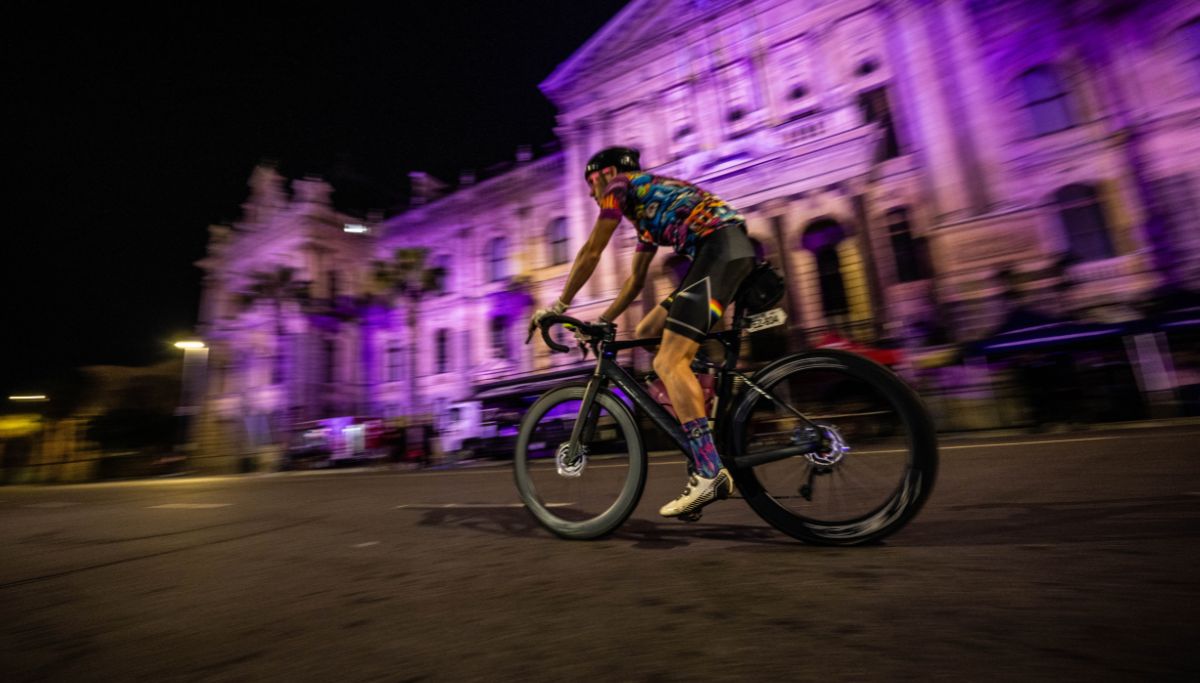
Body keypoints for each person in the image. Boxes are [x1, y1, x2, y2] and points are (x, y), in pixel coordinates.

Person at [527, 146, 756, 519]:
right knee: (649, 328)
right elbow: (634, 282)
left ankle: (708, 470)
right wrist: (604, 320)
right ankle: (700, 400)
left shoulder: (621, 184)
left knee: (669, 360)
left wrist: (559, 307)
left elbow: (591, 251)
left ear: (608, 173)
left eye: (590, 183)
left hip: (720, 252)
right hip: (725, 253)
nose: (590, 193)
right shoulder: (647, 213)